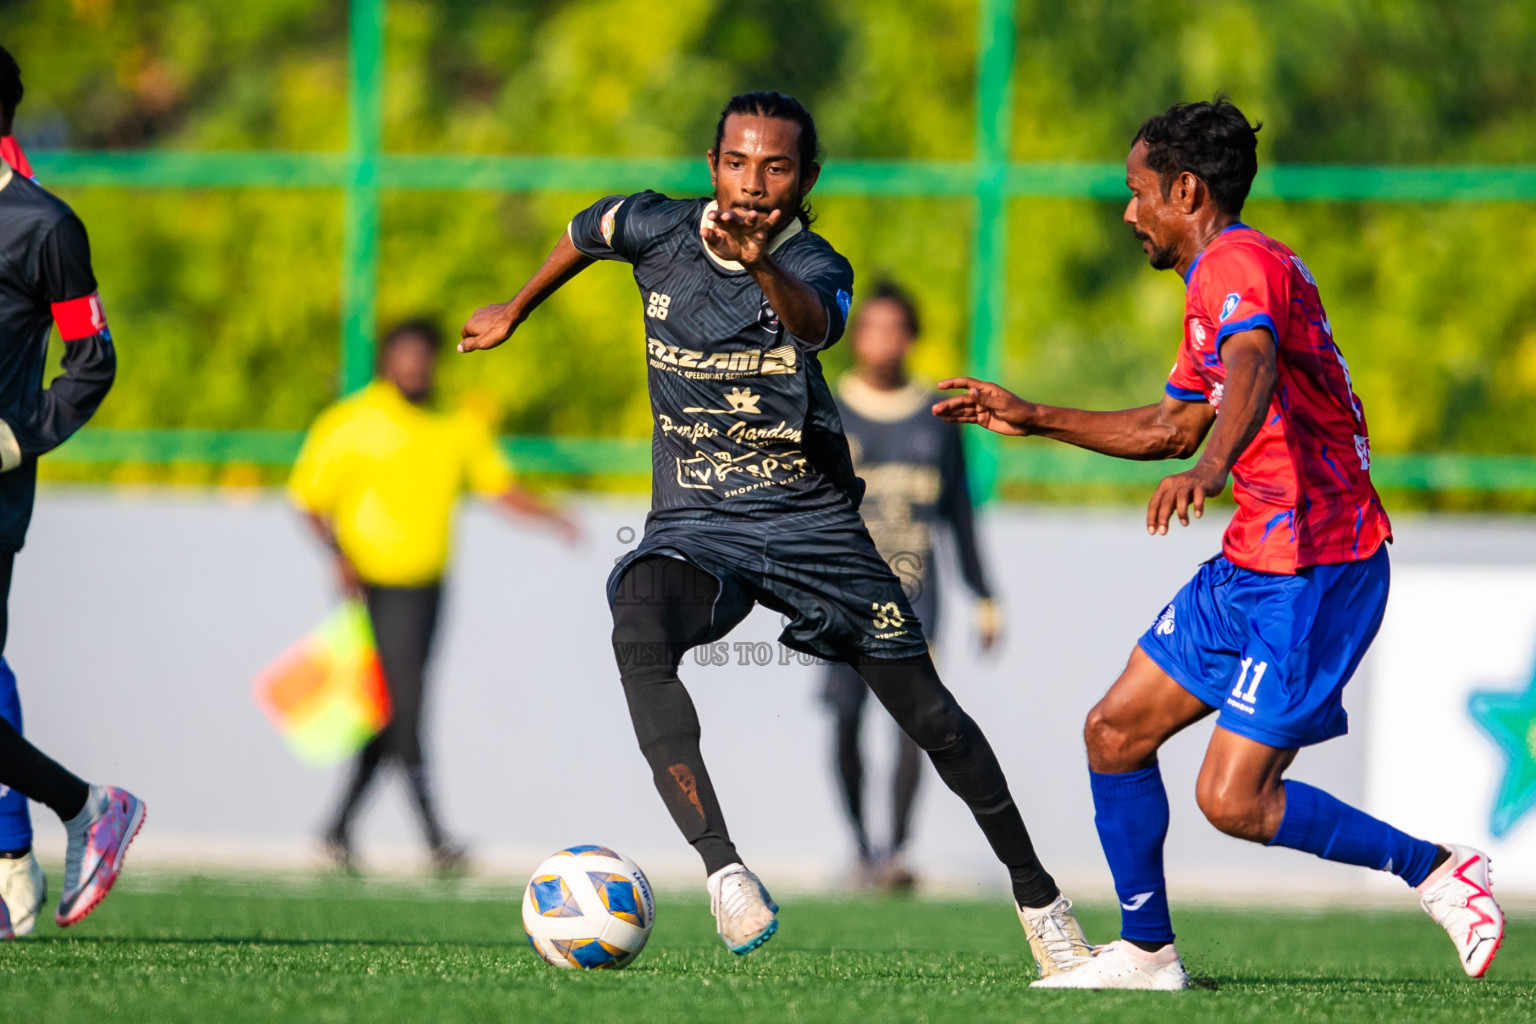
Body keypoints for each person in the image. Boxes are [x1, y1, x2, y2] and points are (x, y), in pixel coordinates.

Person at [460, 90, 1089, 976]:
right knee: (637, 621)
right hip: (698, 526)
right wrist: (516, 310)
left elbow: (816, 324)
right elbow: (581, 230)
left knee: (934, 721)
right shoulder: (653, 227)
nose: (755, 184)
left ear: (806, 180)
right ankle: (724, 871)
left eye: (778, 167)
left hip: (814, 530)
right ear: (712, 166)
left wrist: (760, 268)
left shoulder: (814, 263)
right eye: (738, 162)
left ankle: (1041, 902)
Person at [935, 98, 1504, 989]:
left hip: (1319, 565)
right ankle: (1147, 952)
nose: (1130, 212)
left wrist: (1211, 467)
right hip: (1254, 559)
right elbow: (1169, 424)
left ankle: (1435, 868)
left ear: (1185, 189)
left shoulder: (1236, 264)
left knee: (1232, 800)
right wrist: (1033, 414)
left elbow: (1253, 368)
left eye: (1138, 192)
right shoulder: (1221, 282)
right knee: (1114, 731)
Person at [290, 318, 577, 875]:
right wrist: (339, 554)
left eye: (424, 357)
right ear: (387, 362)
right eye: (405, 356)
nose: (415, 367)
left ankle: (337, 830)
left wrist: (552, 517)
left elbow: (498, 488)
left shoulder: (456, 426)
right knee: (405, 707)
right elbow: (309, 499)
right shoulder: (351, 422)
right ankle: (435, 838)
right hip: (372, 588)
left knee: (390, 711)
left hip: (428, 591)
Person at [0, 44, 146, 939]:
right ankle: (73, 813)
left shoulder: (41, 228)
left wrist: (18, 439)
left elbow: (92, 362)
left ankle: (79, 813)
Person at [821, 281, 1000, 890]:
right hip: (839, 596)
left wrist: (984, 594)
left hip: (916, 600)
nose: (883, 340)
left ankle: (895, 852)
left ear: (911, 337)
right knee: (844, 721)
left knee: (916, 722)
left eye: (896, 328)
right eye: (872, 327)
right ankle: (860, 847)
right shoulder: (827, 406)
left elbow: (959, 514)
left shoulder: (935, 416)